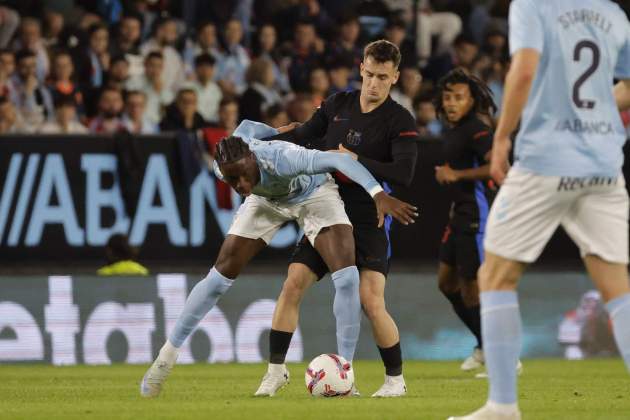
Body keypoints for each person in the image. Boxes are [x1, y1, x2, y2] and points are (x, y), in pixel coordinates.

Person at [140, 119, 418, 398]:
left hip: (313, 195)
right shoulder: (224, 165)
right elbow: (247, 126)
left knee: (346, 277)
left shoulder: (285, 158)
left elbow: (339, 161)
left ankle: (345, 377)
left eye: (242, 175)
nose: (239, 184)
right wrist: (275, 129)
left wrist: (378, 193)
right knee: (218, 277)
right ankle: (164, 360)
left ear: (252, 158)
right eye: (231, 179)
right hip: (266, 203)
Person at [449, 1, 630, 419]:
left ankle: (503, 406)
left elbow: (525, 71)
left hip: (547, 161)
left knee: (495, 275)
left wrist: (501, 137)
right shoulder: (614, 14)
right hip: (604, 167)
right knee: (617, 289)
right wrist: (594, 102)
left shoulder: (533, 5)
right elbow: (625, 85)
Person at [255, 40, 419, 398]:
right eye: (369, 75)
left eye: (382, 77)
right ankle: (275, 371)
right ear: (361, 69)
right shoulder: (337, 105)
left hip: (368, 216)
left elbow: (404, 173)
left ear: (394, 78)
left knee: (371, 300)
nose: (374, 83)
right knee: (293, 282)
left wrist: (355, 159)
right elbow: (303, 134)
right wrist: (266, 138)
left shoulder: (399, 120)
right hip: (327, 211)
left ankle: (395, 380)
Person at [432, 68, 504, 374]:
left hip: (475, 216)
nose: (451, 103)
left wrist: (456, 175)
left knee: (473, 289)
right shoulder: (455, 129)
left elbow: (499, 168)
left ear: (471, 100)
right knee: (446, 283)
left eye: (458, 97)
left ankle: (501, 353)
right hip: (458, 215)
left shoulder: (477, 130)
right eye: (447, 97)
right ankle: (484, 345)